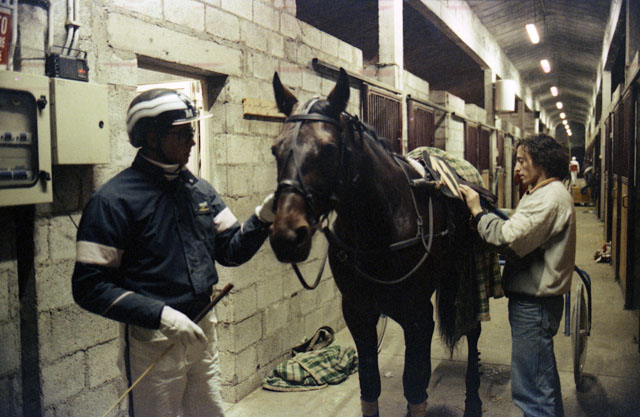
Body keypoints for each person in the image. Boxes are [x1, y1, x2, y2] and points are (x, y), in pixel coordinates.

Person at [72, 88, 275, 417]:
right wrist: (161, 315)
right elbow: (89, 287)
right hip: (153, 338)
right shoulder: (112, 201)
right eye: (182, 133)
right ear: (151, 137)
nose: (192, 141)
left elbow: (231, 251)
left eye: (192, 132)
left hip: (202, 329)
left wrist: (262, 218)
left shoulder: (199, 191)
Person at [459, 133, 576, 417]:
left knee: (532, 392)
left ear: (542, 162)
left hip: (534, 305)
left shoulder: (549, 198)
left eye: (523, 161)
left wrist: (478, 212)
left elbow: (506, 239)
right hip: (535, 302)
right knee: (541, 379)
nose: (517, 168)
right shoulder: (541, 192)